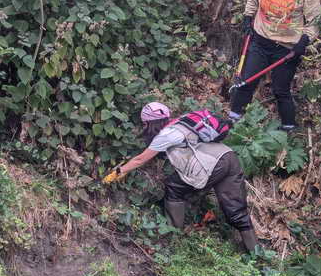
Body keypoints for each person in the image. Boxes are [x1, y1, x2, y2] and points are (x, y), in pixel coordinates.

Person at [103, 101, 257, 252]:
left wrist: (117, 172)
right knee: (236, 210)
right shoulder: (182, 122)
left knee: (174, 188)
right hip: (228, 156)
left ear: (151, 123)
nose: (144, 128)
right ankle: (256, 254)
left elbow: (140, 159)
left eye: (145, 124)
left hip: (213, 164)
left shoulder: (166, 135)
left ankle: (173, 235)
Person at [229, 0, 321, 130]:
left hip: (286, 48)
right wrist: (248, 18)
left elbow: (314, 21)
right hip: (260, 41)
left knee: (281, 90)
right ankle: (232, 121)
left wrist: (303, 42)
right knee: (247, 82)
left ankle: (288, 127)